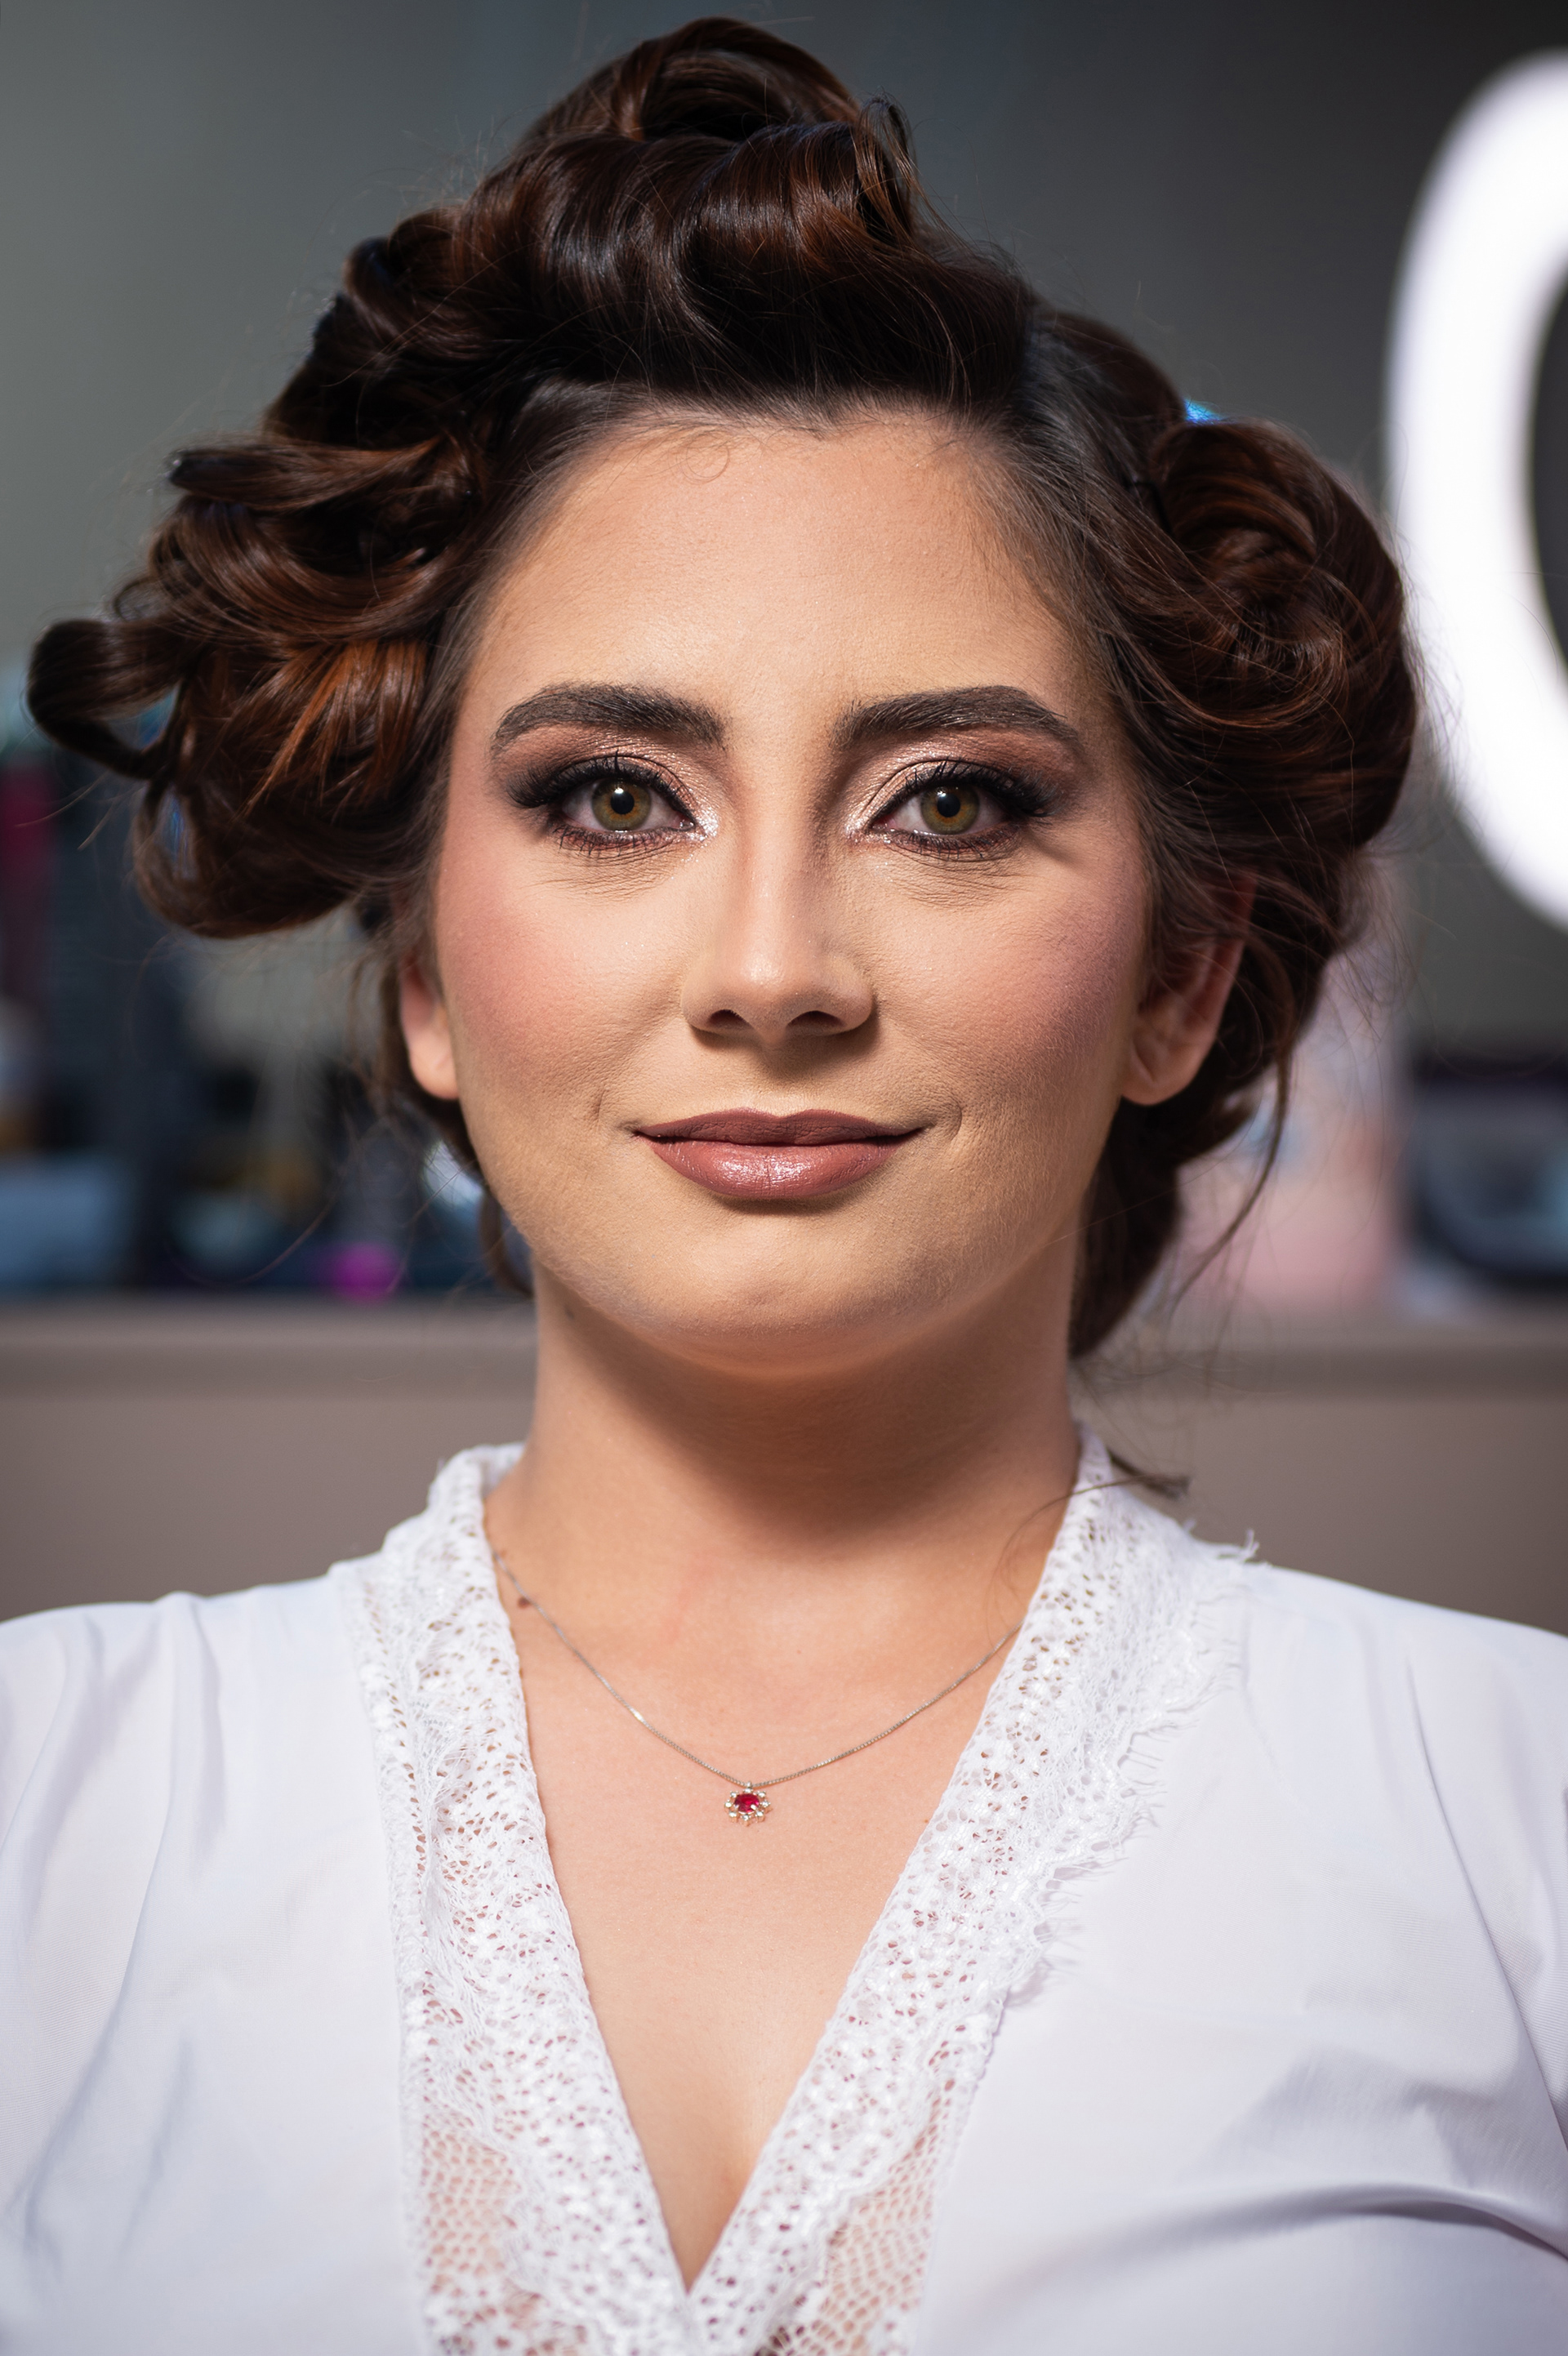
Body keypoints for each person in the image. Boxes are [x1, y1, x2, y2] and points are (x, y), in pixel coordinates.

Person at [5, 20, 1566, 2354]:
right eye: (614, 798)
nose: (771, 973)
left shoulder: (1520, 1825)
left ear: (1180, 977)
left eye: (951, 804)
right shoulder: (47, 1810)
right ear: (423, 971)